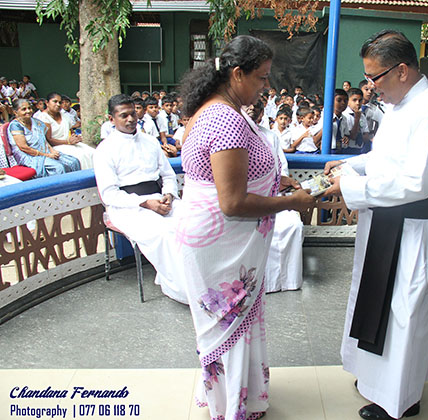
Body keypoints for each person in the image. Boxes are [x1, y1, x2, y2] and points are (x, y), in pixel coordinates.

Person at [175, 35, 315, 419]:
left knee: (239, 323)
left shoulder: (213, 110)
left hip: (215, 237)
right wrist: (292, 203)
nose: (266, 87)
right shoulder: (225, 119)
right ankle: (233, 407)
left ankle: (236, 396)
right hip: (221, 242)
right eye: (261, 78)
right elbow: (233, 202)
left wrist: (275, 183)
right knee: (230, 324)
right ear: (237, 74)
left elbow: (232, 178)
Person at [323, 30, 428, 420]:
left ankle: (401, 399)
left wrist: (350, 187)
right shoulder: (399, 105)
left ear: (401, 71)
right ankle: (374, 380)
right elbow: (383, 158)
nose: (369, 88)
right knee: (375, 305)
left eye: (374, 78)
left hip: (412, 229)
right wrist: (350, 167)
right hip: (384, 224)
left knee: (404, 314)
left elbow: (416, 182)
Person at [93, 94, 187, 304]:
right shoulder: (104, 150)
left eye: (133, 113)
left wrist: (169, 195)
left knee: (190, 221)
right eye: (123, 115)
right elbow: (109, 194)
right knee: (164, 233)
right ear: (111, 119)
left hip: (159, 198)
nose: (130, 119)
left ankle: (200, 280)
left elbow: (168, 175)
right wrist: (145, 203)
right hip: (127, 207)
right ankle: (179, 288)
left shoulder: (150, 141)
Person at [248, 100, 305, 293]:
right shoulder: (233, 134)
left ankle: (287, 281)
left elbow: (281, 169)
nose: (253, 110)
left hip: (273, 195)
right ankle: (260, 284)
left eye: (257, 108)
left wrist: (281, 181)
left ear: (263, 112)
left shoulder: (271, 136)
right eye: (248, 107)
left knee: (292, 225)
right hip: (246, 201)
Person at [8, 99, 81, 177]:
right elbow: (23, 147)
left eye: (29, 108)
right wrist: (47, 155)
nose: (28, 111)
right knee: (58, 167)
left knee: (73, 162)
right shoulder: (15, 125)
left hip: (44, 151)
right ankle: (58, 188)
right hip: (28, 155)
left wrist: (52, 150)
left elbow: (43, 140)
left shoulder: (36, 122)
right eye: (24, 109)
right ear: (15, 112)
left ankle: (75, 187)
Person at [37, 92, 94, 169]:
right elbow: (49, 140)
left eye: (59, 102)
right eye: (55, 101)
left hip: (69, 143)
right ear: (47, 103)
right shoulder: (43, 117)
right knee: (81, 157)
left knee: (92, 152)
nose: (58, 104)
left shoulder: (63, 114)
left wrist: (76, 137)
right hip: (56, 146)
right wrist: (68, 142)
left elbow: (71, 130)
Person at [344, 87, 372, 154]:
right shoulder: (345, 115)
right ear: (348, 101)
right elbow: (353, 136)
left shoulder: (362, 115)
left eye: (360, 100)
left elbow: (366, 135)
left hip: (359, 148)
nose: (357, 103)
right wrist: (357, 119)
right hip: (347, 149)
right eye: (354, 100)